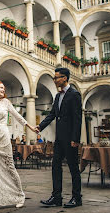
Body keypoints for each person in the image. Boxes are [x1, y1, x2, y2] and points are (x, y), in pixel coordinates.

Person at [0, 81, 37, 212]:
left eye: (4, 88)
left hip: (3, 137)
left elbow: (18, 116)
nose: (3, 90)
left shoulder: (6, 103)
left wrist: (31, 127)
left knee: (9, 166)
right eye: (1, 87)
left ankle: (19, 196)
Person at [35, 68, 82, 208]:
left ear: (65, 78)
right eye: (54, 78)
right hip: (59, 139)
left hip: (70, 139)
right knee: (55, 166)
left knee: (73, 168)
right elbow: (52, 114)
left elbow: (77, 118)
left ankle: (77, 198)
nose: (54, 80)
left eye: (56, 78)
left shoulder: (74, 94)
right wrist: (40, 126)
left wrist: (75, 139)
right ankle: (56, 197)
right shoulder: (58, 96)